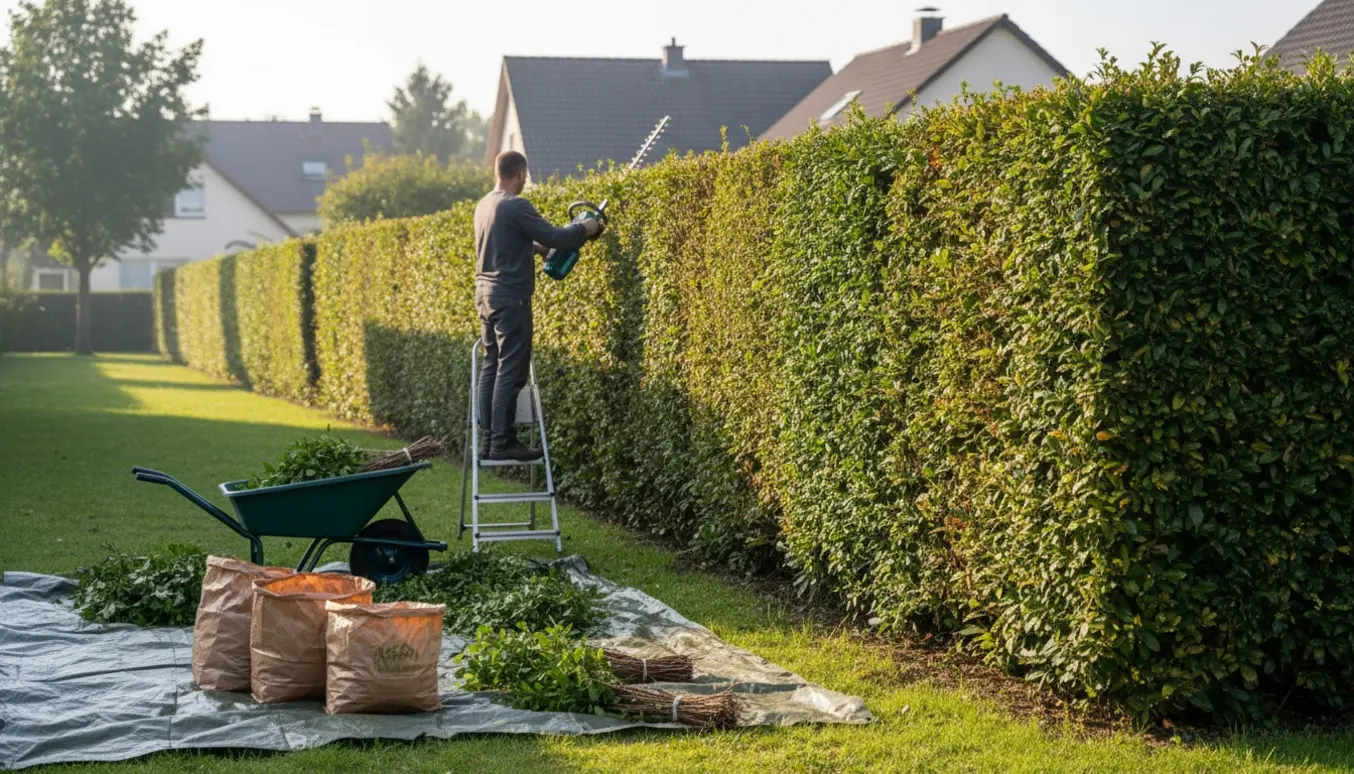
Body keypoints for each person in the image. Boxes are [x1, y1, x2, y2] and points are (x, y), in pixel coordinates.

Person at [473, 150, 601, 461]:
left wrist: (533, 248)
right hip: (510, 296)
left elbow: (503, 243)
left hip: (485, 295)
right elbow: (556, 236)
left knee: (491, 363)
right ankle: (503, 443)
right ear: (518, 173)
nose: (526, 182)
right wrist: (585, 228)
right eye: (525, 176)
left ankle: (490, 441)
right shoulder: (515, 204)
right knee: (511, 370)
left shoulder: (485, 204)